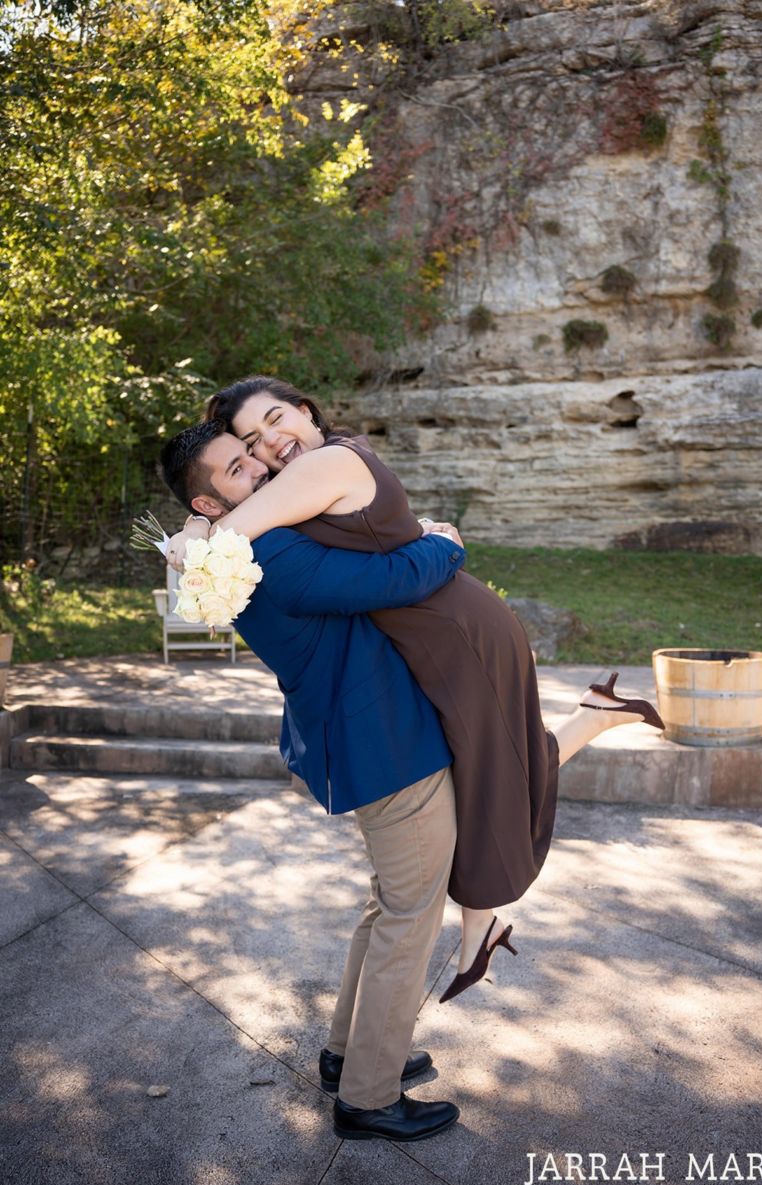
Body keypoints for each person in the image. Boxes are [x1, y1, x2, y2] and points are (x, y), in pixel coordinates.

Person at [166, 376, 665, 1002]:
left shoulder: (322, 463)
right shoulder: (306, 475)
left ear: (305, 409)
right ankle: (487, 916)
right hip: (432, 633)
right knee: (483, 768)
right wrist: (197, 524)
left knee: (489, 769)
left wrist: (195, 536)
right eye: (251, 442)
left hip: (456, 634)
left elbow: (234, 529)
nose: (269, 444)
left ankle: (482, 924)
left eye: (274, 420)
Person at [161, 420, 468, 1142]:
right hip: (385, 741)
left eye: (251, 456)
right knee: (409, 919)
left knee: (389, 905)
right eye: (237, 469)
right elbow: (389, 580)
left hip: (364, 735)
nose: (260, 469)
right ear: (207, 504)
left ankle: (348, 1053)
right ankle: (368, 1096)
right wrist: (443, 543)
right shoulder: (268, 550)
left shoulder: (235, 545)